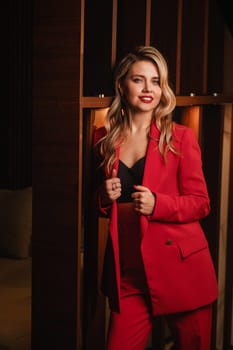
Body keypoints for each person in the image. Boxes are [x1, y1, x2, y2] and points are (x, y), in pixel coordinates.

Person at [92, 45, 218, 350]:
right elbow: (97, 204)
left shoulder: (181, 137)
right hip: (130, 274)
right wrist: (103, 197)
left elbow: (201, 202)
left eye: (156, 81)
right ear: (122, 83)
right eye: (139, 80)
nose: (149, 89)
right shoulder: (103, 138)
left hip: (181, 269)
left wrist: (158, 204)